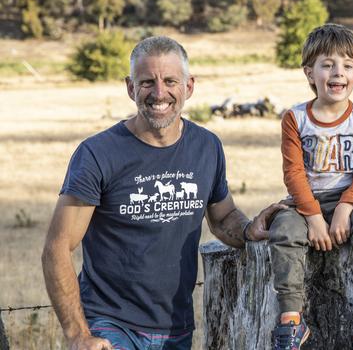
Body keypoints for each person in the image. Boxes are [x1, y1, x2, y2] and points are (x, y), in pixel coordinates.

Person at [41, 36, 284, 350]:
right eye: (146, 82)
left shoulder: (206, 146)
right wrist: (78, 335)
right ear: (130, 87)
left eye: (170, 80)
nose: (159, 93)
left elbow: (222, 218)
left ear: (189, 86)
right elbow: (56, 248)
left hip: (175, 329)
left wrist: (251, 229)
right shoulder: (98, 154)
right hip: (110, 326)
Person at [268, 23, 353, 350]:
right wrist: (313, 216)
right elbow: (294, 173)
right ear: (309, 73)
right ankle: (291, 318)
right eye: (327, 64)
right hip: (304, 200)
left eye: (347, 65)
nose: (337, 72)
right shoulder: (295, 118)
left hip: (351, 199)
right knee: (284, 232)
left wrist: (345, 208)